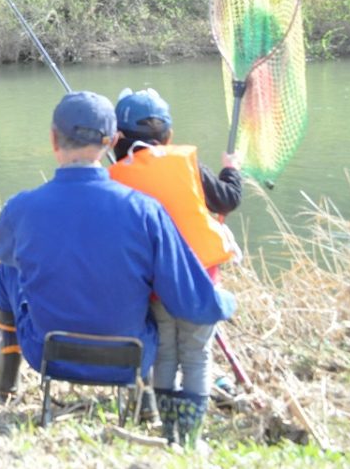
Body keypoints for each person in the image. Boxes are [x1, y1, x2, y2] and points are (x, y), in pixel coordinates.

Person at [0, 91, 236, 412]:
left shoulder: (21, 207)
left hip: (47, 354)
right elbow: (186, 294)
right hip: (131, 358)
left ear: (53, 139)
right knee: (147, 279)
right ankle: (146, 399)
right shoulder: (145, 210)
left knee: (7, 270)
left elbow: (2, 249)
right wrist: (225, 303)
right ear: (112, 141)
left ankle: (5, 378)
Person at [109, 88, 242, 446]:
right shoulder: (187, 165)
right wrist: (231, 170)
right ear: (168, 135)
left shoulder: (116, 177)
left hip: (157, 287)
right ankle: (191, 436)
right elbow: (228, 199)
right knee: (197, 354)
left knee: (166, 352)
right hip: (201, 279)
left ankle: (169, 432)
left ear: (118, 138)